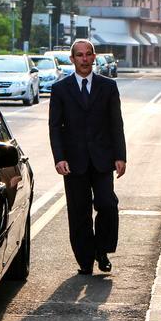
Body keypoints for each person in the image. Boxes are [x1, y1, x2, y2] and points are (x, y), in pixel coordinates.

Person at [49, 39, 127, 275]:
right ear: (72, 59)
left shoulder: (108, 87)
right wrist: (59, 157)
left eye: (88, 54)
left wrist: (120, 156)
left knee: (107, 204)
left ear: (94, 57)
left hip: (103, 159)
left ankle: (101, 250)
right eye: (79, 55)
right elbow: (55, 126)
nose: (84, 59)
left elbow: (116, 123)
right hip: (73, 162)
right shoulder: (60, 89)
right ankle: (85, 259)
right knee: (79, 211)